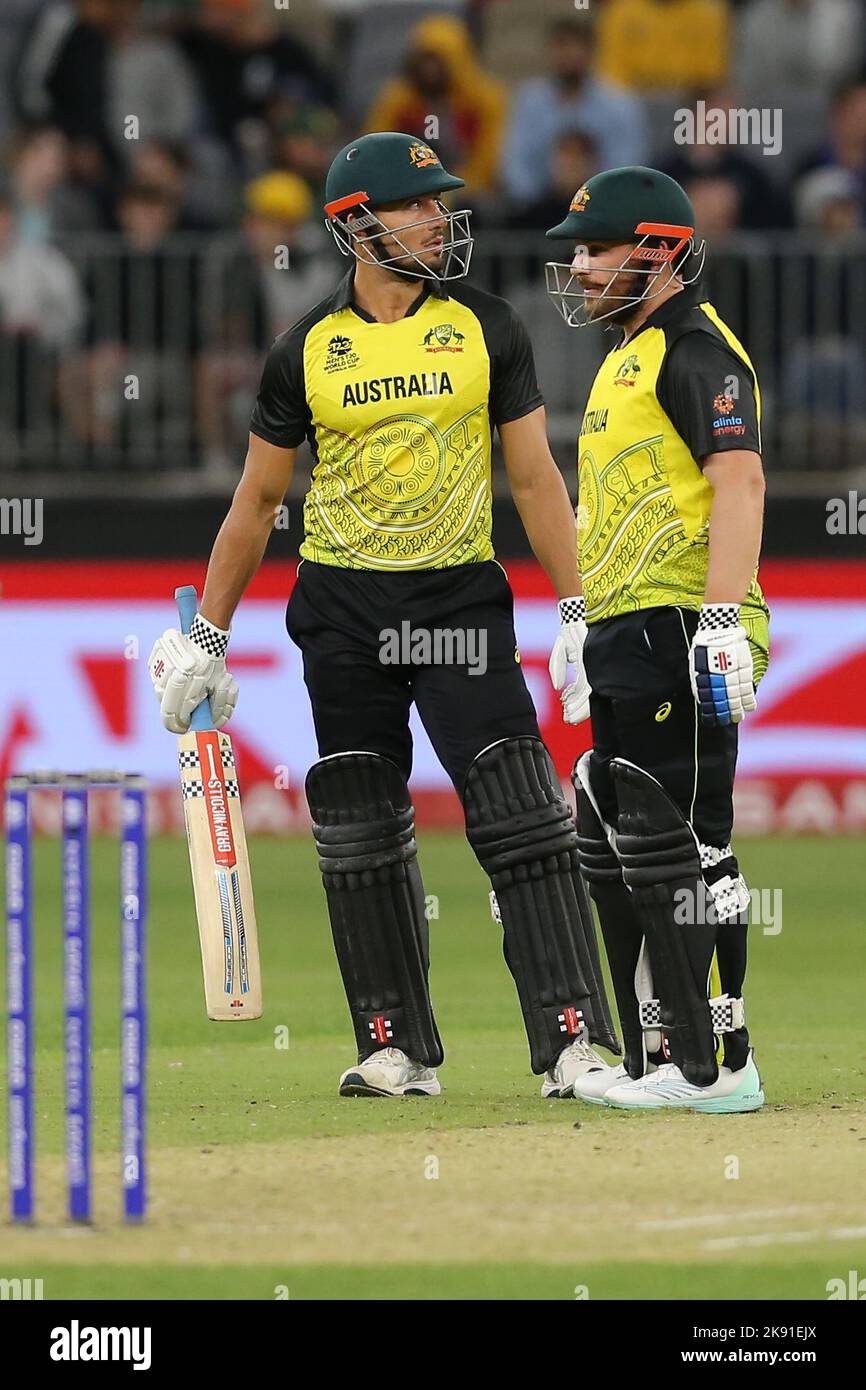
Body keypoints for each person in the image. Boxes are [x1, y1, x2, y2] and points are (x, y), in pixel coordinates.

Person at [148, 131, 618, 1100]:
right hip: (342, 609)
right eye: (415, 206)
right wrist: (206, 633)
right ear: (356, 227)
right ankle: (393, 1046)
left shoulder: (487, 326)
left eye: (439, 202)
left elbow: (532, 477)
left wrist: (578, 603)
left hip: (455, 599)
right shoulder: (303, 351)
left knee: (522, 817)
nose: (438, 218)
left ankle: (571, 1041)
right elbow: (254, 501)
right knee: (360, 830)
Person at [544, 166, 770, 1112]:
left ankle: (720, 1062)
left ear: (664, 252)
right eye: (580, 251)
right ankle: (663, 1048)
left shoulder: (695, 348)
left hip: (683, 623)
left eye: (599, 249)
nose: (584, 267)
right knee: (631, 838)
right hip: (629, 627)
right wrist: (578, 614)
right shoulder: (627, 352)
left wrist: (720, 620)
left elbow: (740, 481)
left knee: (688, 843)